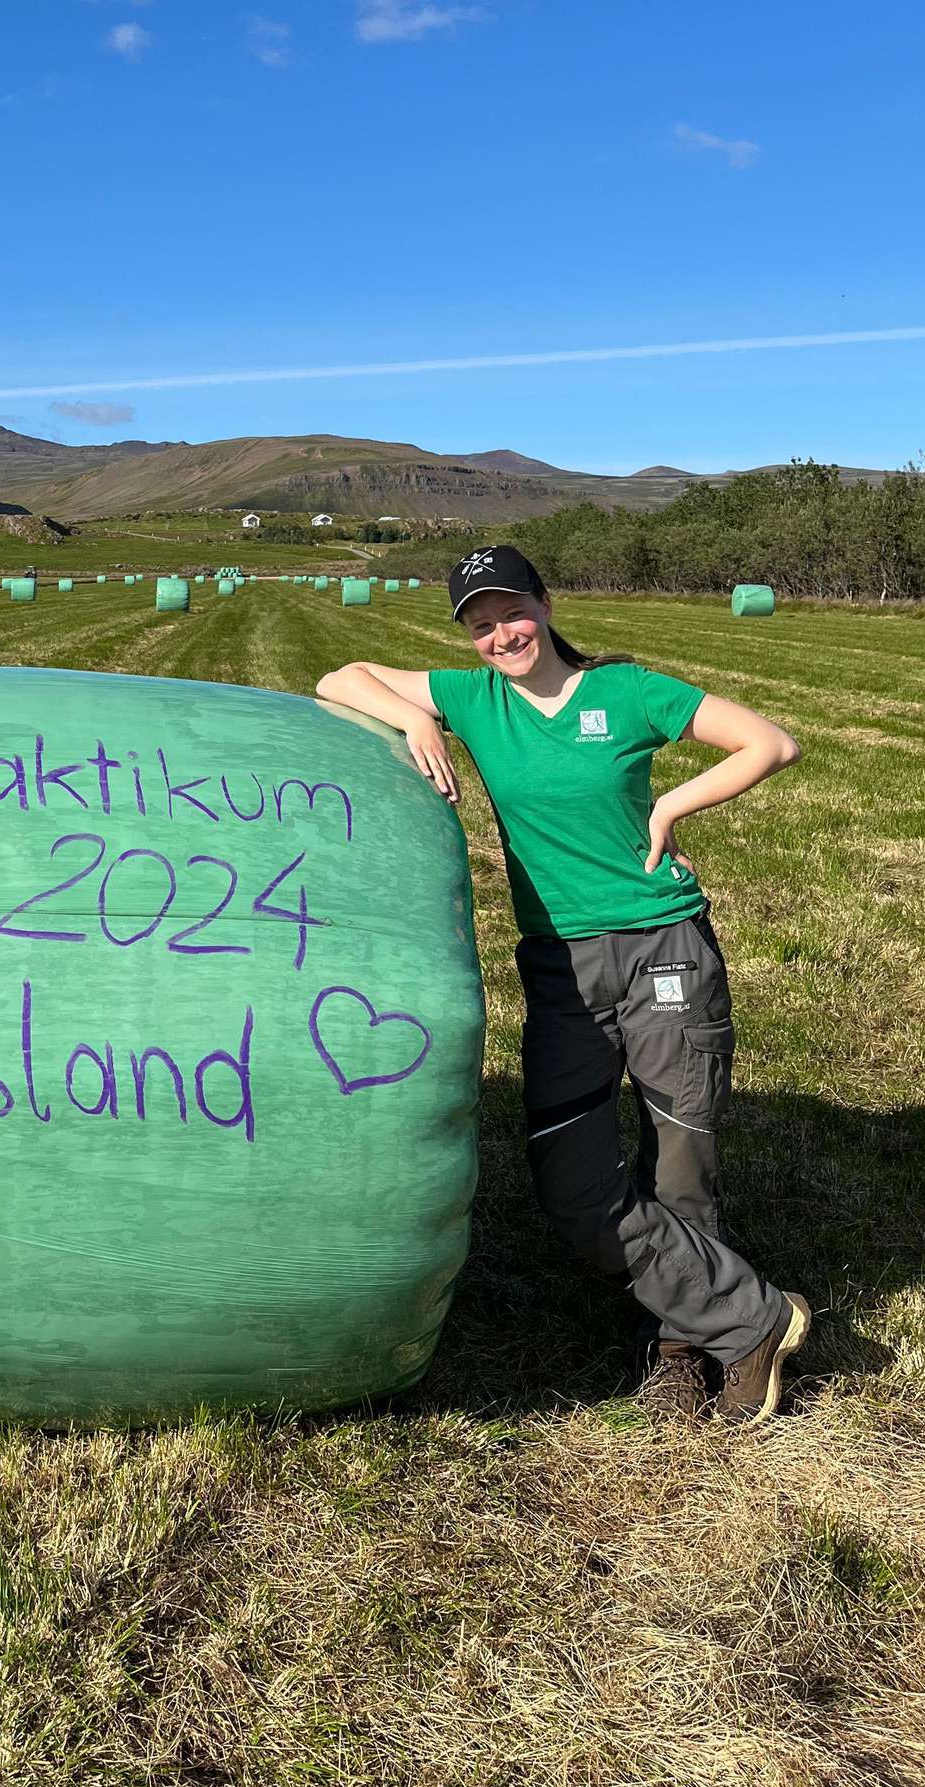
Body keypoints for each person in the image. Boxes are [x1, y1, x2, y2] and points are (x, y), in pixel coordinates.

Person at [317, 545, 808, 1426]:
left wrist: (669, 807)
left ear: (546, 603)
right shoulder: (476, 698)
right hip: (559, 966)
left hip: (664, 949)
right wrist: (417, 721)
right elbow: (338, 674)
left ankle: (681, 1348)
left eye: (511, 611)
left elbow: (771, 742)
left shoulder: (628, 693)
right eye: (478, 623)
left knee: (681, 1163)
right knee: (570, 1182)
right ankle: (753, 1316)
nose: (500, 633)